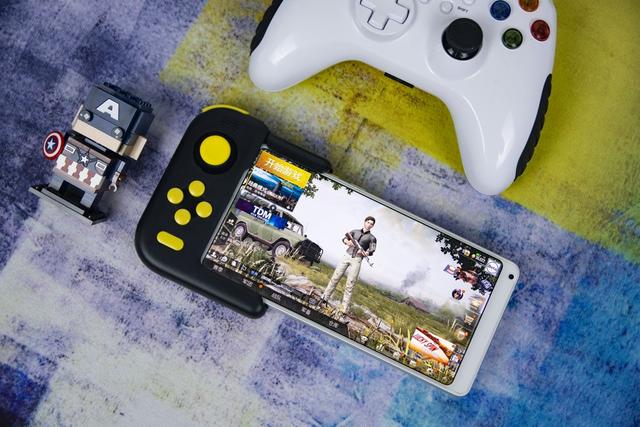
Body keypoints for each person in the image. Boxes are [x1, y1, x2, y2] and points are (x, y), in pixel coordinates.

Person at [322, 216, 377, 314]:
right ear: (364, 222)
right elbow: (344, 239)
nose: (369, 225)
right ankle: (324, 298)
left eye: (371, 224)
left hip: (357, 259)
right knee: (335, 277)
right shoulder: (355, 231)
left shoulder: (372, 238)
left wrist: (365, 253)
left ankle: (344, 308)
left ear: (373, 226)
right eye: (368, 222)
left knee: (350, 283)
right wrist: (347, 242)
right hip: (347, 255)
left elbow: (372, 250)